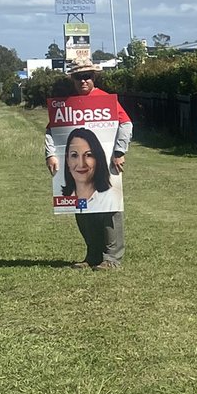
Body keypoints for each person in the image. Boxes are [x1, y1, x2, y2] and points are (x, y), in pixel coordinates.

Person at [45, 64, 133, 270]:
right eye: (79, 77)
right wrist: (50, 154)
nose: (83, 81)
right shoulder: (67, 105)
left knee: (110, 208)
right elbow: (51, 131)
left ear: (94, 78)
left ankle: (112, 258)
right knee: (83, 210)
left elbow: (126, 124)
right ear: (73, 80)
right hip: (76, 175)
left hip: (107, 165)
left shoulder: (106, 99)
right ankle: (93, 255)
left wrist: (119, 152)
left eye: (87, 77)